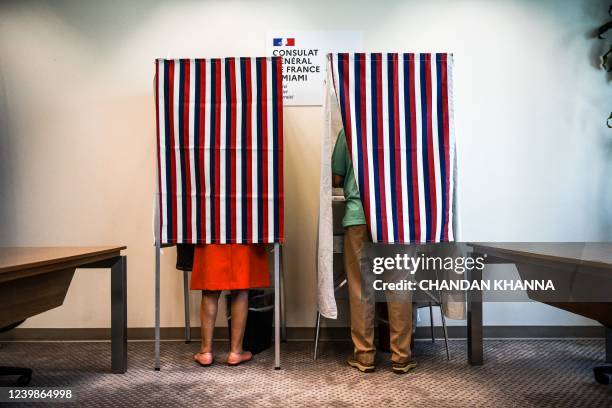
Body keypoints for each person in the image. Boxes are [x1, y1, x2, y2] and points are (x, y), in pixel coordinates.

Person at [331, 129, 416, 374]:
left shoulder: (349, 127)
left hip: (359, 216)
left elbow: (336, 179)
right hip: (397, 216)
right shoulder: (405, 128)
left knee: (361, 287)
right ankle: (401, 356)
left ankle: (364, 356)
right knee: (398, 285)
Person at [191, 244, 269, 366]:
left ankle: (205, 352)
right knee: (240, 287)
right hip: (241, 230)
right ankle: (236, 352)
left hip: (212, 229)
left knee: (210, 289)